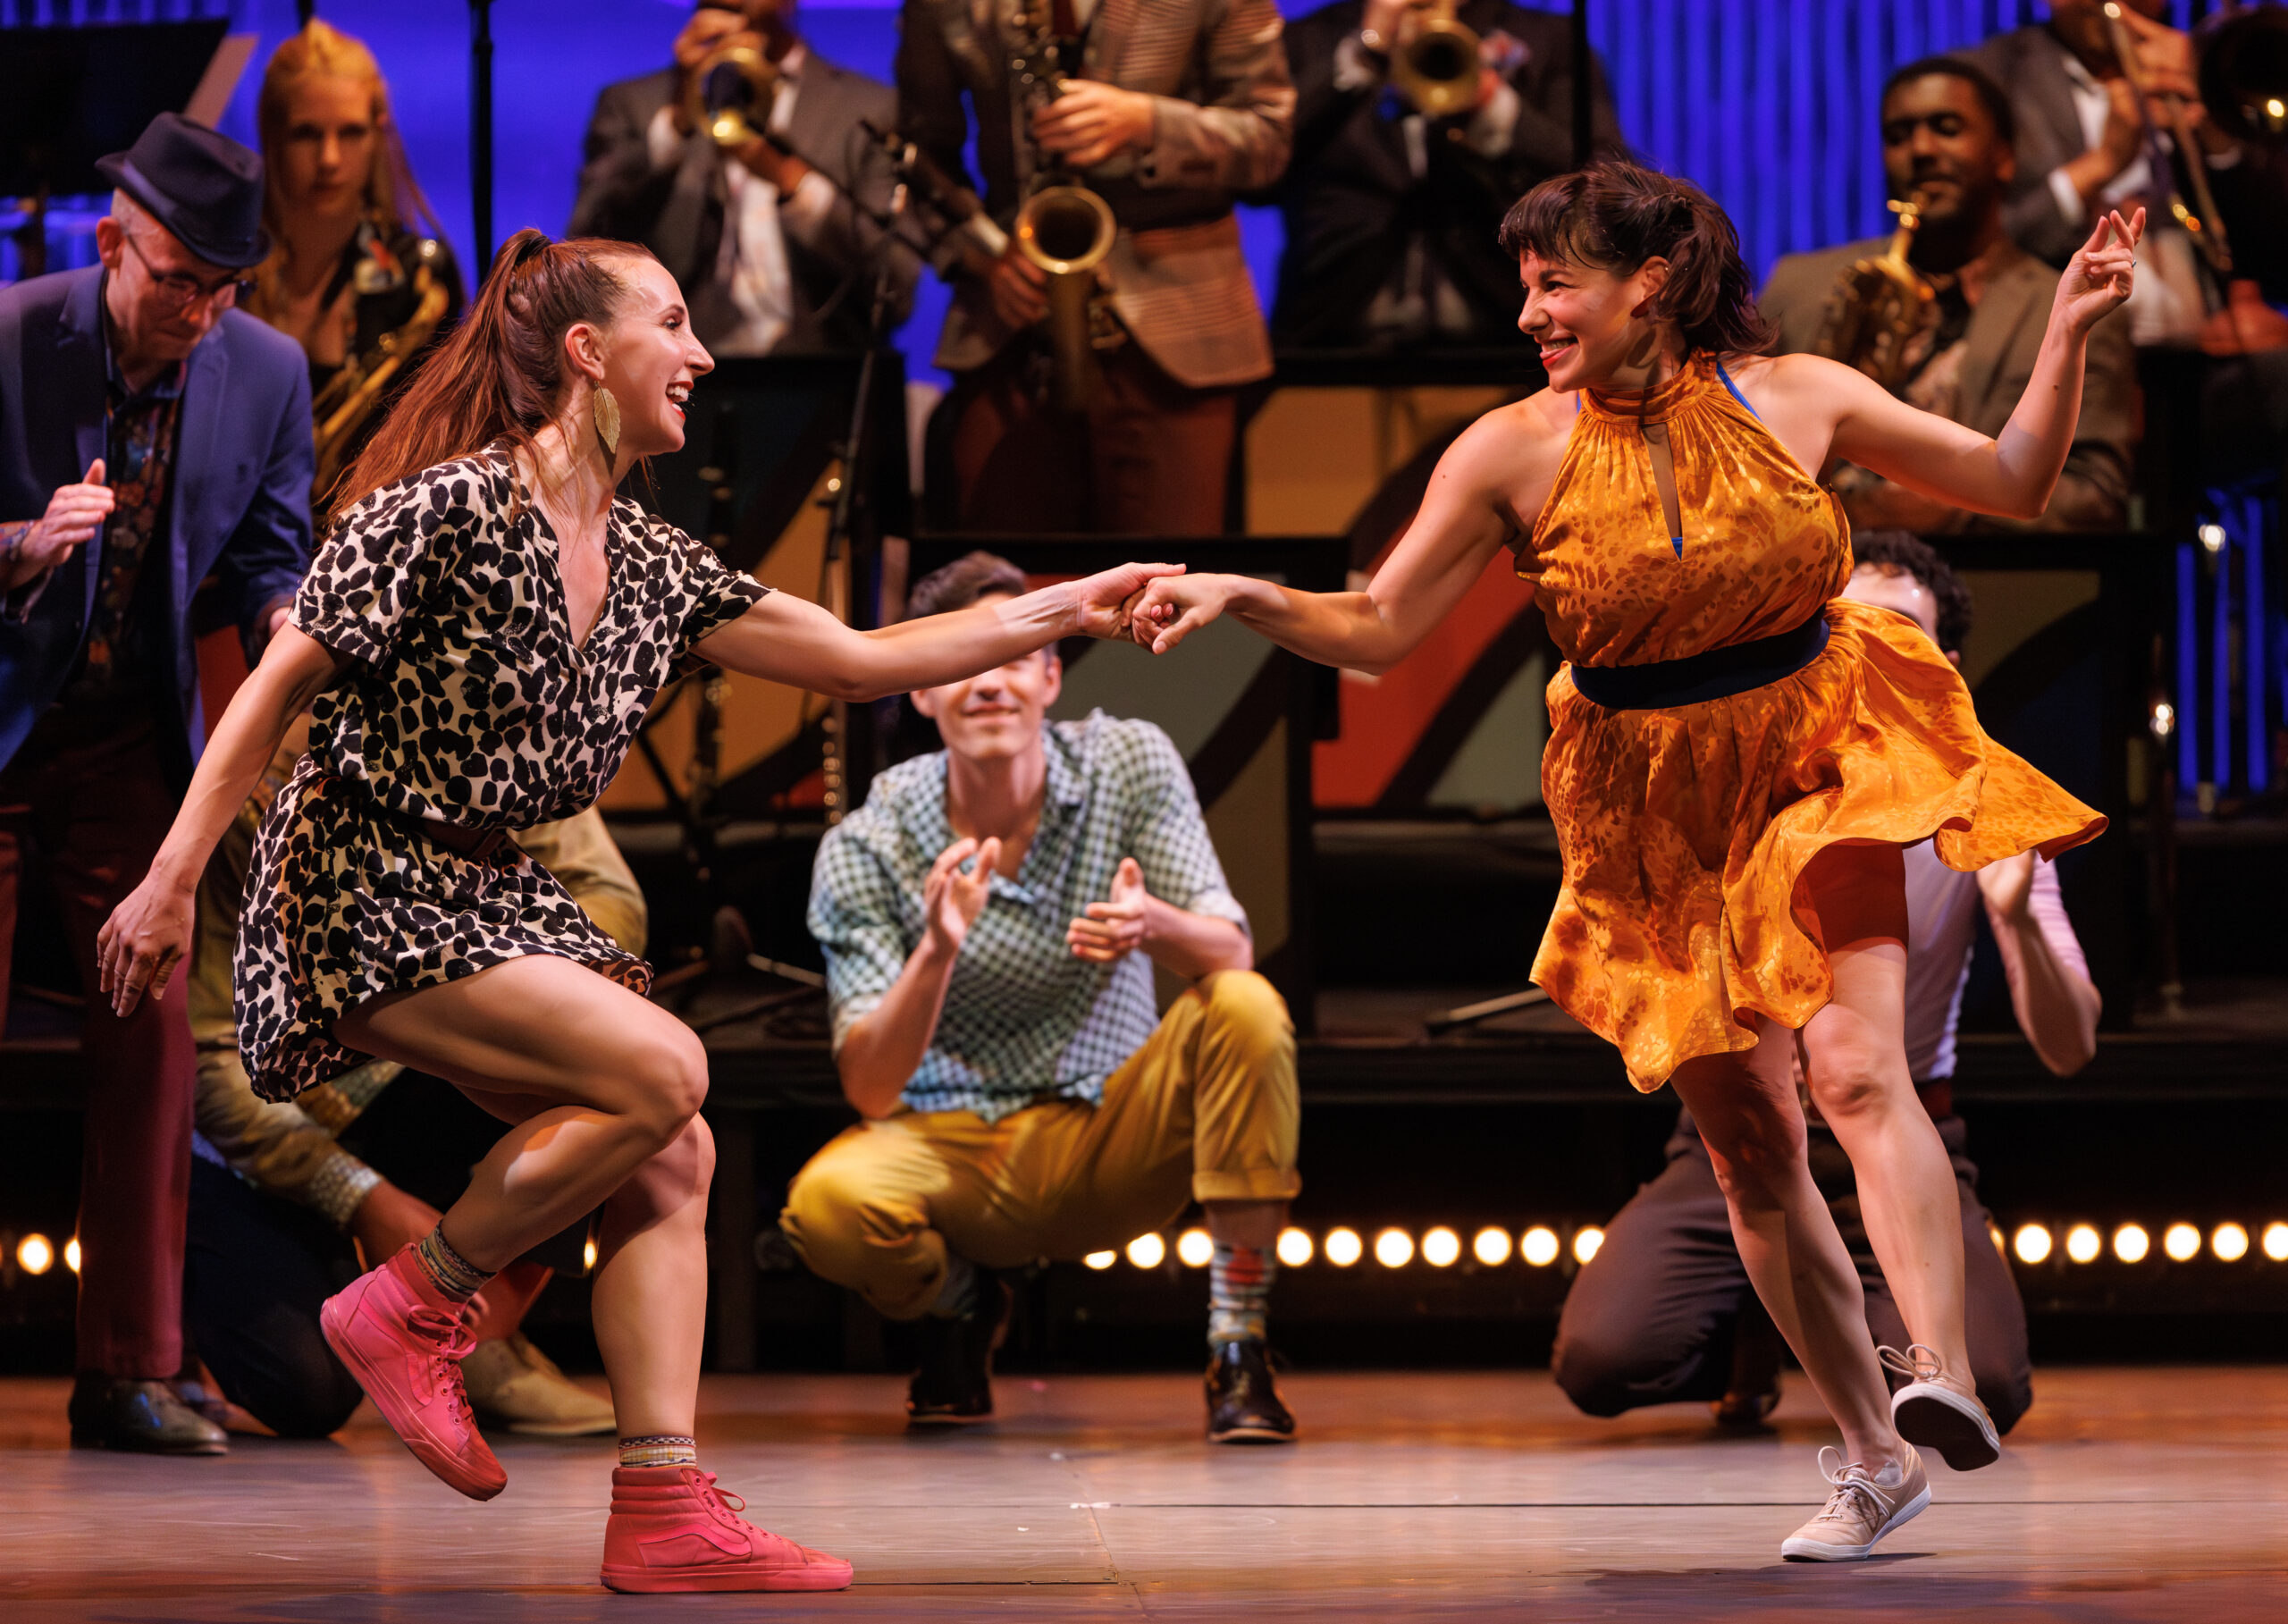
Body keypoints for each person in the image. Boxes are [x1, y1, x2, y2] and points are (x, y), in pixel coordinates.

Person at [96, 226, 1171, 1591]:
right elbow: (273, 687)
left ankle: (661, 1505)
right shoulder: (443, 508)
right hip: (363, 879)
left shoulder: (651, 562)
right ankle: (417, 1302)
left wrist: (1072, 602)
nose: (703, 353)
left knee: (676, 1152)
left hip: (485, 888)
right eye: (675, 322)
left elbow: (860, 657)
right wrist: (175, 872)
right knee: (670, 1065)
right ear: (589, 355)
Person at [1124, 159, 2133, 1561]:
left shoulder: (1802, 397)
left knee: (1851, 1067)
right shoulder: (1508, 450)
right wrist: (1242, 591)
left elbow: (2018, 479)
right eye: (1526, 286)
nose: (1531, 311)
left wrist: (2073, 327)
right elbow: (1374, 626)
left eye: (1557, 283)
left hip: (1817, 748)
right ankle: (1866, 1456)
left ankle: (1941, 1378)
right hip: (1648, 802)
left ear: (1649, 282)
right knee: (1749, 1146)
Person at [1552, 532, 2103, 1436]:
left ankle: (1871, 1345)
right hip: (1739, 1136)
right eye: (1836, 627)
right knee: (1602, 1358)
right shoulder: (1737, 775)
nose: (1860, 651)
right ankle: (1763, 1327)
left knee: (1992, 1389)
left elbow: (2070, 1045)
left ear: (1937, 664)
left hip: (1896, 1132)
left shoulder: (1975, 796)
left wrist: (2019, 920)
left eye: (1893, 630)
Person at [781, 551, 1300, 1441]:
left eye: (1014, 656)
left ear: (1051, 673)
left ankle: (1239, 1343)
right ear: (919, 685)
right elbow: (867, 1087)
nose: (988, 683)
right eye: (962, 660)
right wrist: (937, 949)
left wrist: (1150, 925)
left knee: (1245, 1003)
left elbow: (1231, 946)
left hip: (1109, 1131)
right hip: (952, 1148)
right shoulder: (868, 841)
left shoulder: (1125, 763)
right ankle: (958, 1306)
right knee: (827, 1208)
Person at [0, 113, 312, 1457]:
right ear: (118, 244)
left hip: (128, 743)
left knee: (152, 1037)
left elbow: (266, 559)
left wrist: (306, 623)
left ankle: (130, 1365)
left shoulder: (266, 368)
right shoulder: (14, 333)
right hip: (5, 720)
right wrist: (13, 546)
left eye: (224, 284)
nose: (199, 307)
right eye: (178, 276)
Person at [181, 716, 637, 1442]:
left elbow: (611, 902)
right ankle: (188, 1314)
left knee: (620, 1045)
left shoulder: (500, 731)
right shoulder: (266, 788)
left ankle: (483, 1343)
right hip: (276, 1133)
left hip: (423, 1081)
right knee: (307, 1390)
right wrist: (360, 1198)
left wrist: (479, 962)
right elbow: (209, 1056)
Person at [898, 0, 1293, 533]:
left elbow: (1269, 141)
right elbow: (917, 158)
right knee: (1000, 590)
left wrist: (1148, 123)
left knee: (1168, 596)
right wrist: (980, 258)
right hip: (1011, 320)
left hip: (1177, 333)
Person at [1759, 58, 2136, 534]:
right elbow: (1739, 457)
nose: (1920, 149)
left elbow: (2096, 496)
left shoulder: (2070, 306)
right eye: (1898, 135)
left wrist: (1957, 507)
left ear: (2004, 156)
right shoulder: (1798, 287)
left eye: (1947, 127)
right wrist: (1854, 515)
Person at [1271, 0, 1624, 350]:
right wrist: (1364, 54)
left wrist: (1493, 106)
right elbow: (1260, 180)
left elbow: (1602, 185)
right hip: (1326, 339)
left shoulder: (1552, 39)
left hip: (1506, 339)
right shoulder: (1306, 39)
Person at [570, 0, 916, 356]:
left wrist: (789, 179)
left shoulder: (871, 109)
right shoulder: (633, 104)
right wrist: (677, 119)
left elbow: (896, 288)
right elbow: (586, 250)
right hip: (675, 371)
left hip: (823, 370)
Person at [241, 20, 467, 506]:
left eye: (350, 133)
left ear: (378, 138)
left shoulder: (421, 279)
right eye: (306, 134)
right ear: (273, 137)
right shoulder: (225, 271)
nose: (329, 158)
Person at [1959, 0, 2233, 349]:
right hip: (2060, 349)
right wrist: (2102, 164)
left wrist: (2216, 121)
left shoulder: (2195, 61)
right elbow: (1974, 245)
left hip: (2201, 352)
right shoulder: (1989, 74)